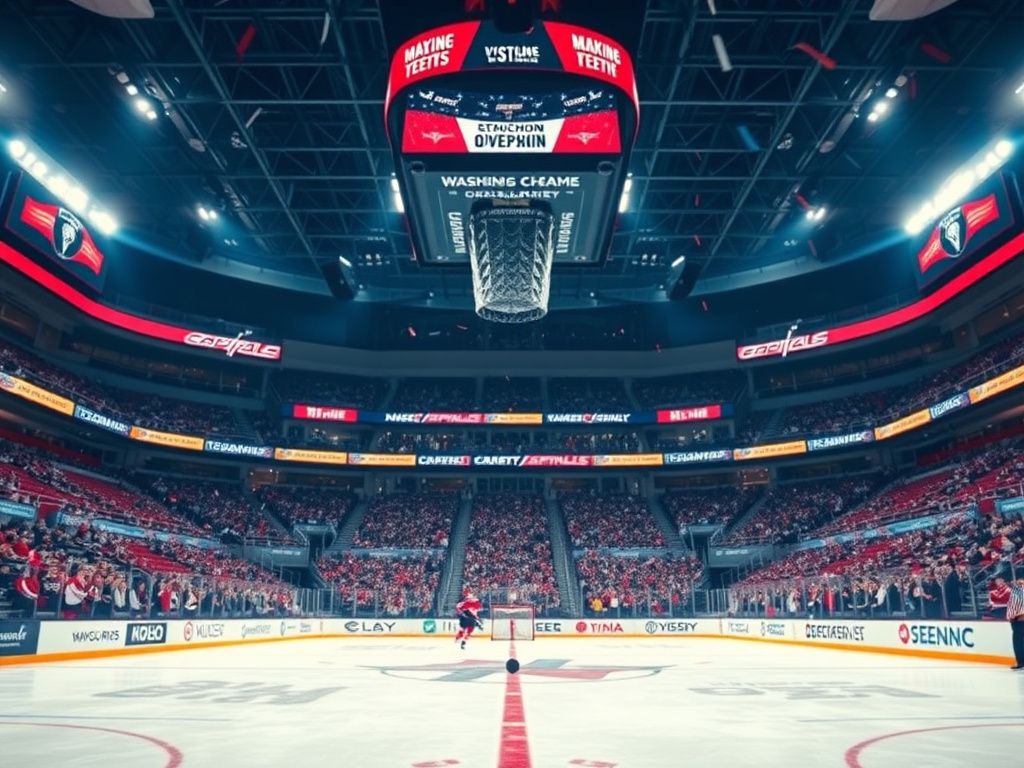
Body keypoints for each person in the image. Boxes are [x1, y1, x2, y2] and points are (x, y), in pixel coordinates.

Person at [1008, 578, 1024, 671]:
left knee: (1018, 642)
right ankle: (1021, 662)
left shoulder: (1017, 594)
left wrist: (1012, 617)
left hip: (1019, 620)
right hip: (1017, 620)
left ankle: (1021, 662)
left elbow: (1014, 608)